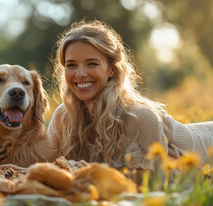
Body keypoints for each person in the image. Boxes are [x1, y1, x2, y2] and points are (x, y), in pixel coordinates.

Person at [48, 20, 213, 173]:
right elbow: (43, 169)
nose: (80, 73)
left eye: (92, 63)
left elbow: (152, 186)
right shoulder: (63, 116)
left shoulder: (141, 116)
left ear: (112, 69)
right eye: (71, 65)